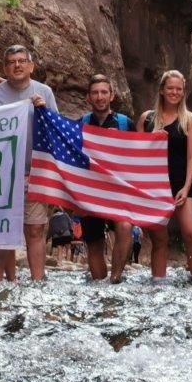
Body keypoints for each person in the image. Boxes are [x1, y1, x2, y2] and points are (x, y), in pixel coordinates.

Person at [0, 44, 58, 282]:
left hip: (34, 171)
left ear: (31, 66)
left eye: (21, 61)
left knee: (35, 229)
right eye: (12, 62)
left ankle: (38, 281)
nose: (17, 65)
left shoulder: (44, 92)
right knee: (1, 230)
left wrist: (44, 110)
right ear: (5, 67)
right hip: (2, 174)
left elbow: (56, 130)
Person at [136, 70, 192, 282]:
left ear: (183, 92)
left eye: (179, 89)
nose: (174, 92)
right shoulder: (146, 119)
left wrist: (186, 187)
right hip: (153, 186)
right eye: (170, 88)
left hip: (180, 183)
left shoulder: (189, 120)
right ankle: (158, 283)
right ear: (161, 90)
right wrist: (153, 140)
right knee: (159, 239)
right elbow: (136, 153)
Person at [80, 74, 134, 283]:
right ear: (88, 97)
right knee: (94, 242)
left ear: (112, 96)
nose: (100, 96)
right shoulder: (81, 124)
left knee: (125, 226)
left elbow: (139, 153)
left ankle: (115, 279)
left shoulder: (125, 123)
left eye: (104, 92)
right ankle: (99, 286)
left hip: (118, 189)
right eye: (95, 93)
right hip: (90, 190)